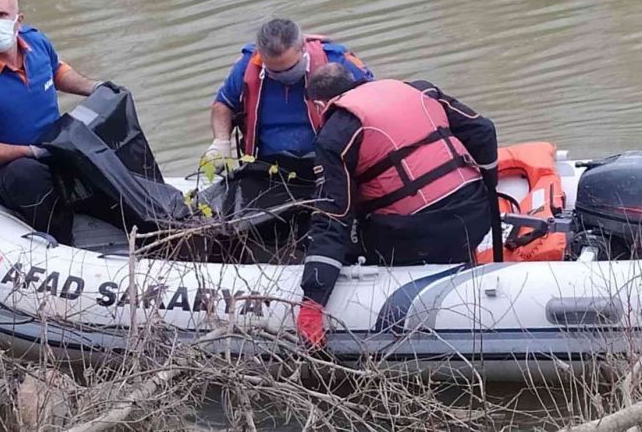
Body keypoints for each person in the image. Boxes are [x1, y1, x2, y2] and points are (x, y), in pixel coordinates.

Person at [296, 63, 499, 347]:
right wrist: (490, 189)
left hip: (421, 237)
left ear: (318, 105)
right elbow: (484, 131)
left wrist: (312, 302)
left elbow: (333, 218)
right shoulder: (419, 89)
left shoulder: (335, 134)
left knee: (339, 238)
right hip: (478, 214)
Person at [0, 0, 106, 245]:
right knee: (27, 174)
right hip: (8, 173)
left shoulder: (37, 43)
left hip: (54, 150)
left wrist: (96, 87)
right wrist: (29, 152)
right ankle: (61, 244)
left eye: (2, 13)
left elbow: (57, 72)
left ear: (18, 20)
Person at [201, 19, 373, 167]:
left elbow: (374, 102)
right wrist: (221, 142)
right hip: (268, 167)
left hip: (330, 162)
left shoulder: (337, 62)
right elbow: (224, 104)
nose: (283, 76)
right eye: (274, 72)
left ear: (303, 48)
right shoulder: (247, 67)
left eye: (290, 68)